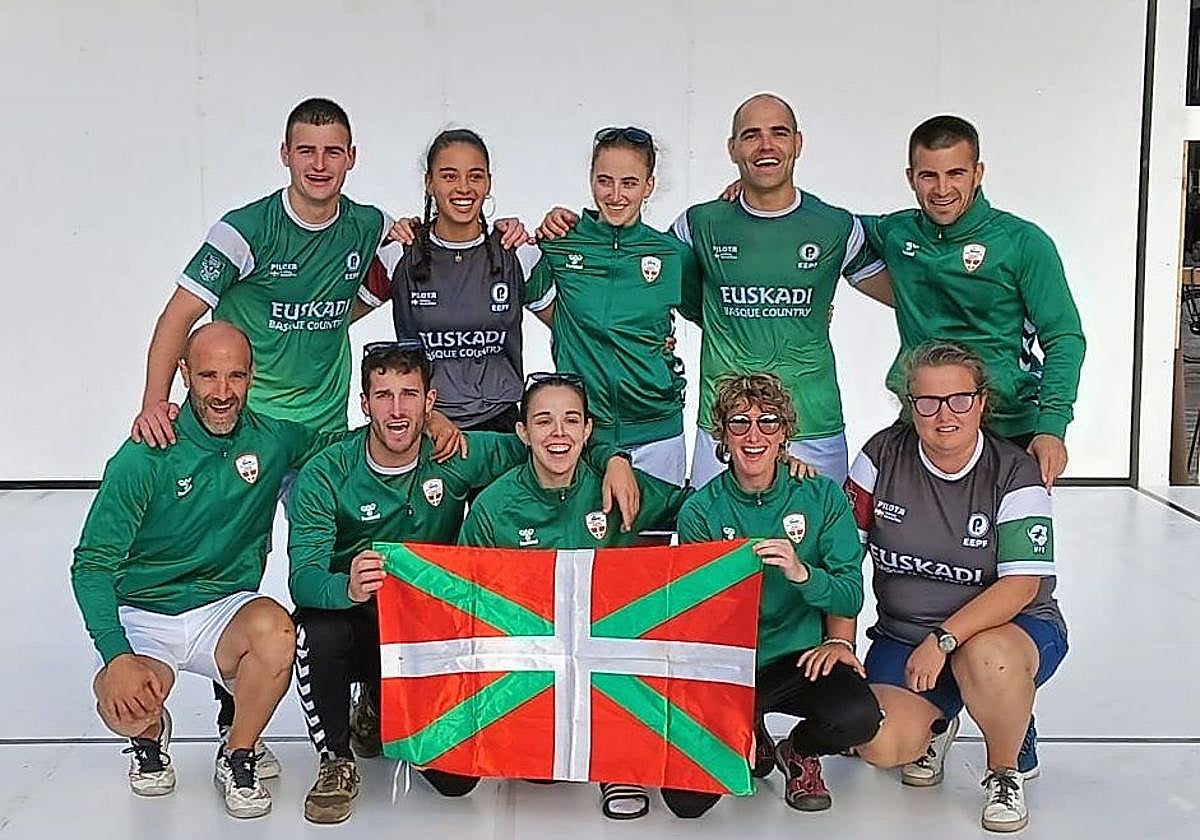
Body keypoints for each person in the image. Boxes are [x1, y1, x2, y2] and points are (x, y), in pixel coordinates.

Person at [124, 98, 416, 761]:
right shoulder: (245, 229)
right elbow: (178, 317)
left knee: (339, 563)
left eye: (333, 151)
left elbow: (376, 283)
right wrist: (154, 401)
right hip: (243, 433)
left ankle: (360, 694)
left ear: (352, 158)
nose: (320, 163)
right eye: (306, 150)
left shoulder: (367, 224)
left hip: (323, 437)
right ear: (285, 155)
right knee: (232, 564)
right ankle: (234, 707)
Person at [285, 346, 640, 824]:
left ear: (430, 401)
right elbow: (303, 580)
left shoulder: (457, 453)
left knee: (456, 783)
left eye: (410, 395)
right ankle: (336, 760)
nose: (397, 409)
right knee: (317, 629)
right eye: (384, 396)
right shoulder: (327, 473)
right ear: (365, 404)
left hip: (433, 629)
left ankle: (380, 703)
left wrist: (614, 458)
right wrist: (346, 588)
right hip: (361, 615)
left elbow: (548, 438)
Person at [538, 94, 892, 486]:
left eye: (778, 133)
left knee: (815, 527)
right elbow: (641, 282)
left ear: (798, 142)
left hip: (813, 425)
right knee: (707, 529)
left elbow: (909, 294)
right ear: (732, 148)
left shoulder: (836, 226)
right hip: (723, 426)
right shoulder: (699, 225)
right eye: (751, 136)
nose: (765, 145)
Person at [71, 322, 345, 818]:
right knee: (123, 705)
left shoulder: (273, 439)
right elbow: (91, 565)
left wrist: (424, 424)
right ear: (184, 374)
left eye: (235, 376)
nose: (222, 392)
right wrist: (116, 655)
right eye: (208, 376)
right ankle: (148, 736)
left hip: (223, 609)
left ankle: (238, 753)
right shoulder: (144, 454)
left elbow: (348, 447)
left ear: (252, 376)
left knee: (277, 632)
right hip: (146, 612)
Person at [845, 341, 1068, 833]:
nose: (944, 415)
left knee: (986, 660)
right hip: (906, 636)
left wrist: (942, 639)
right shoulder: (880, 455)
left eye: (959, 399)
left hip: (1005, 632)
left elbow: (1021, 586)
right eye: (928, 402)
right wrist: (839, 643)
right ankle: (939, 723)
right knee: (879, 743)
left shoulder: (1015, 472)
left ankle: (1005, 768)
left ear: (981, 402)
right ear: (910, 405)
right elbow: (843, 559)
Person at [458, 372, 696, 820]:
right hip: (533, 657)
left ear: (588, 431)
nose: (559, 433)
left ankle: (619, 761)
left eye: (571, 420)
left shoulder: (619, 486)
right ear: (523, 432)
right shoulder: (494, 505)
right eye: (544, 421)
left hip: (608, 656)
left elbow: (699, 508)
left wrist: (771, 480)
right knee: (532, 775)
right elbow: (465, 596)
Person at [675, 372, 881, 815]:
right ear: (723, 435)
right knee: (686, 802)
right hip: (732, 664)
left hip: (798, 659)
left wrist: (802, 574)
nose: (754, 435)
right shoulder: (700, 511)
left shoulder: (821, 496)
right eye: (740, 423)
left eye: (768, 421)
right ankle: (749, 725)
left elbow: (849, 596)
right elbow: (695, 612)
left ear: (784, 433)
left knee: (859, 718)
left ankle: (799, 751)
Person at [860, 115, 1086, 491]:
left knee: (1011, 532)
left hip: (1008, 429)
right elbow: (823, 227)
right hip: (924, 425)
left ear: (978, 173)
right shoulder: (896, 232)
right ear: (910, 178)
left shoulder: (1022, 242)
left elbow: (1064, 337)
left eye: (956, 173)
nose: (942, 189)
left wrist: (1052, 427)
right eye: (928, 175)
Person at [523, 127, 696, 483]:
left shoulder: (671, 254)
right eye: (605, 181)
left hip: (658, 432)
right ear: (591, 179)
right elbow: (522, 286)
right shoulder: (560, 243)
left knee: (658, 522)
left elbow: (713, 316)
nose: (616, 195)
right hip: (586, 435)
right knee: (591, 523)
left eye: (629, 183)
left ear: (649, 185)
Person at [361, 129, 528, 433]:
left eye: (475, 176)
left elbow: (571, 327)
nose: (463, 187)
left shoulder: (514, 250)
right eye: (449, 176)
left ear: (488, 182)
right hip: (426, 424)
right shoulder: (400, 251)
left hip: (500, 425)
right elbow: (333, 319)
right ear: (429, 183)